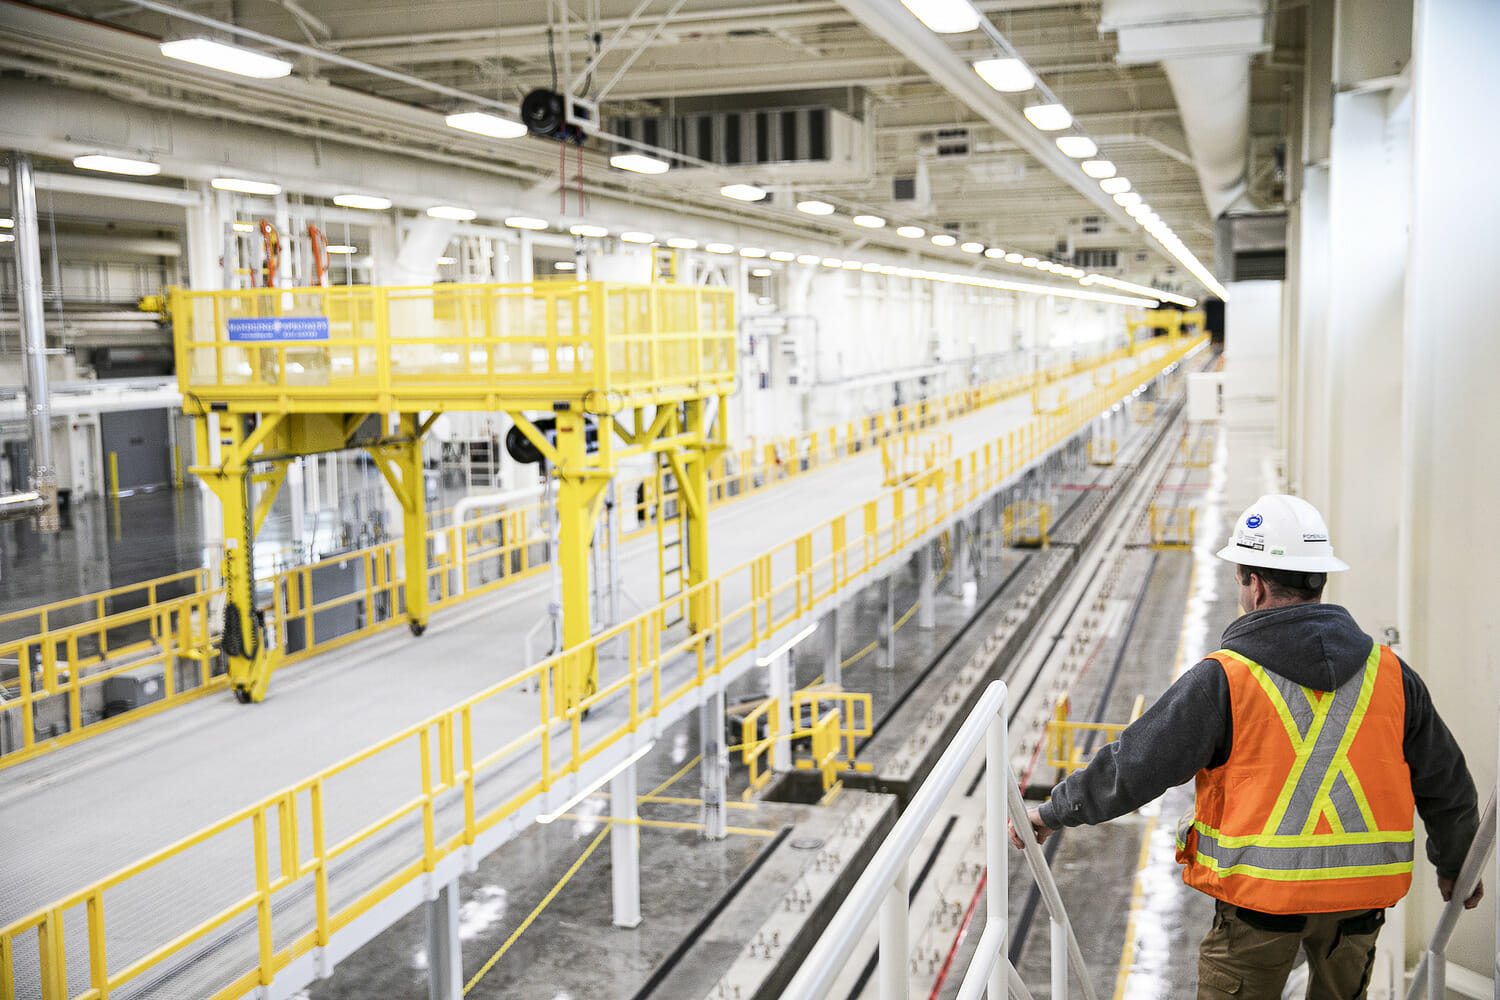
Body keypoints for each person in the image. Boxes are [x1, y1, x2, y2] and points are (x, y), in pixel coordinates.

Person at [1009, 494, 1483, 1000]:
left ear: (1254, 585)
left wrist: (1051, 813)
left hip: (1259, 912)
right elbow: (1447, 782)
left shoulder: (1225, 679)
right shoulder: (1391, 674)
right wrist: (1458, 866)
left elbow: (1136, 766)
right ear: (1318, 578)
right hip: (1359, 906)